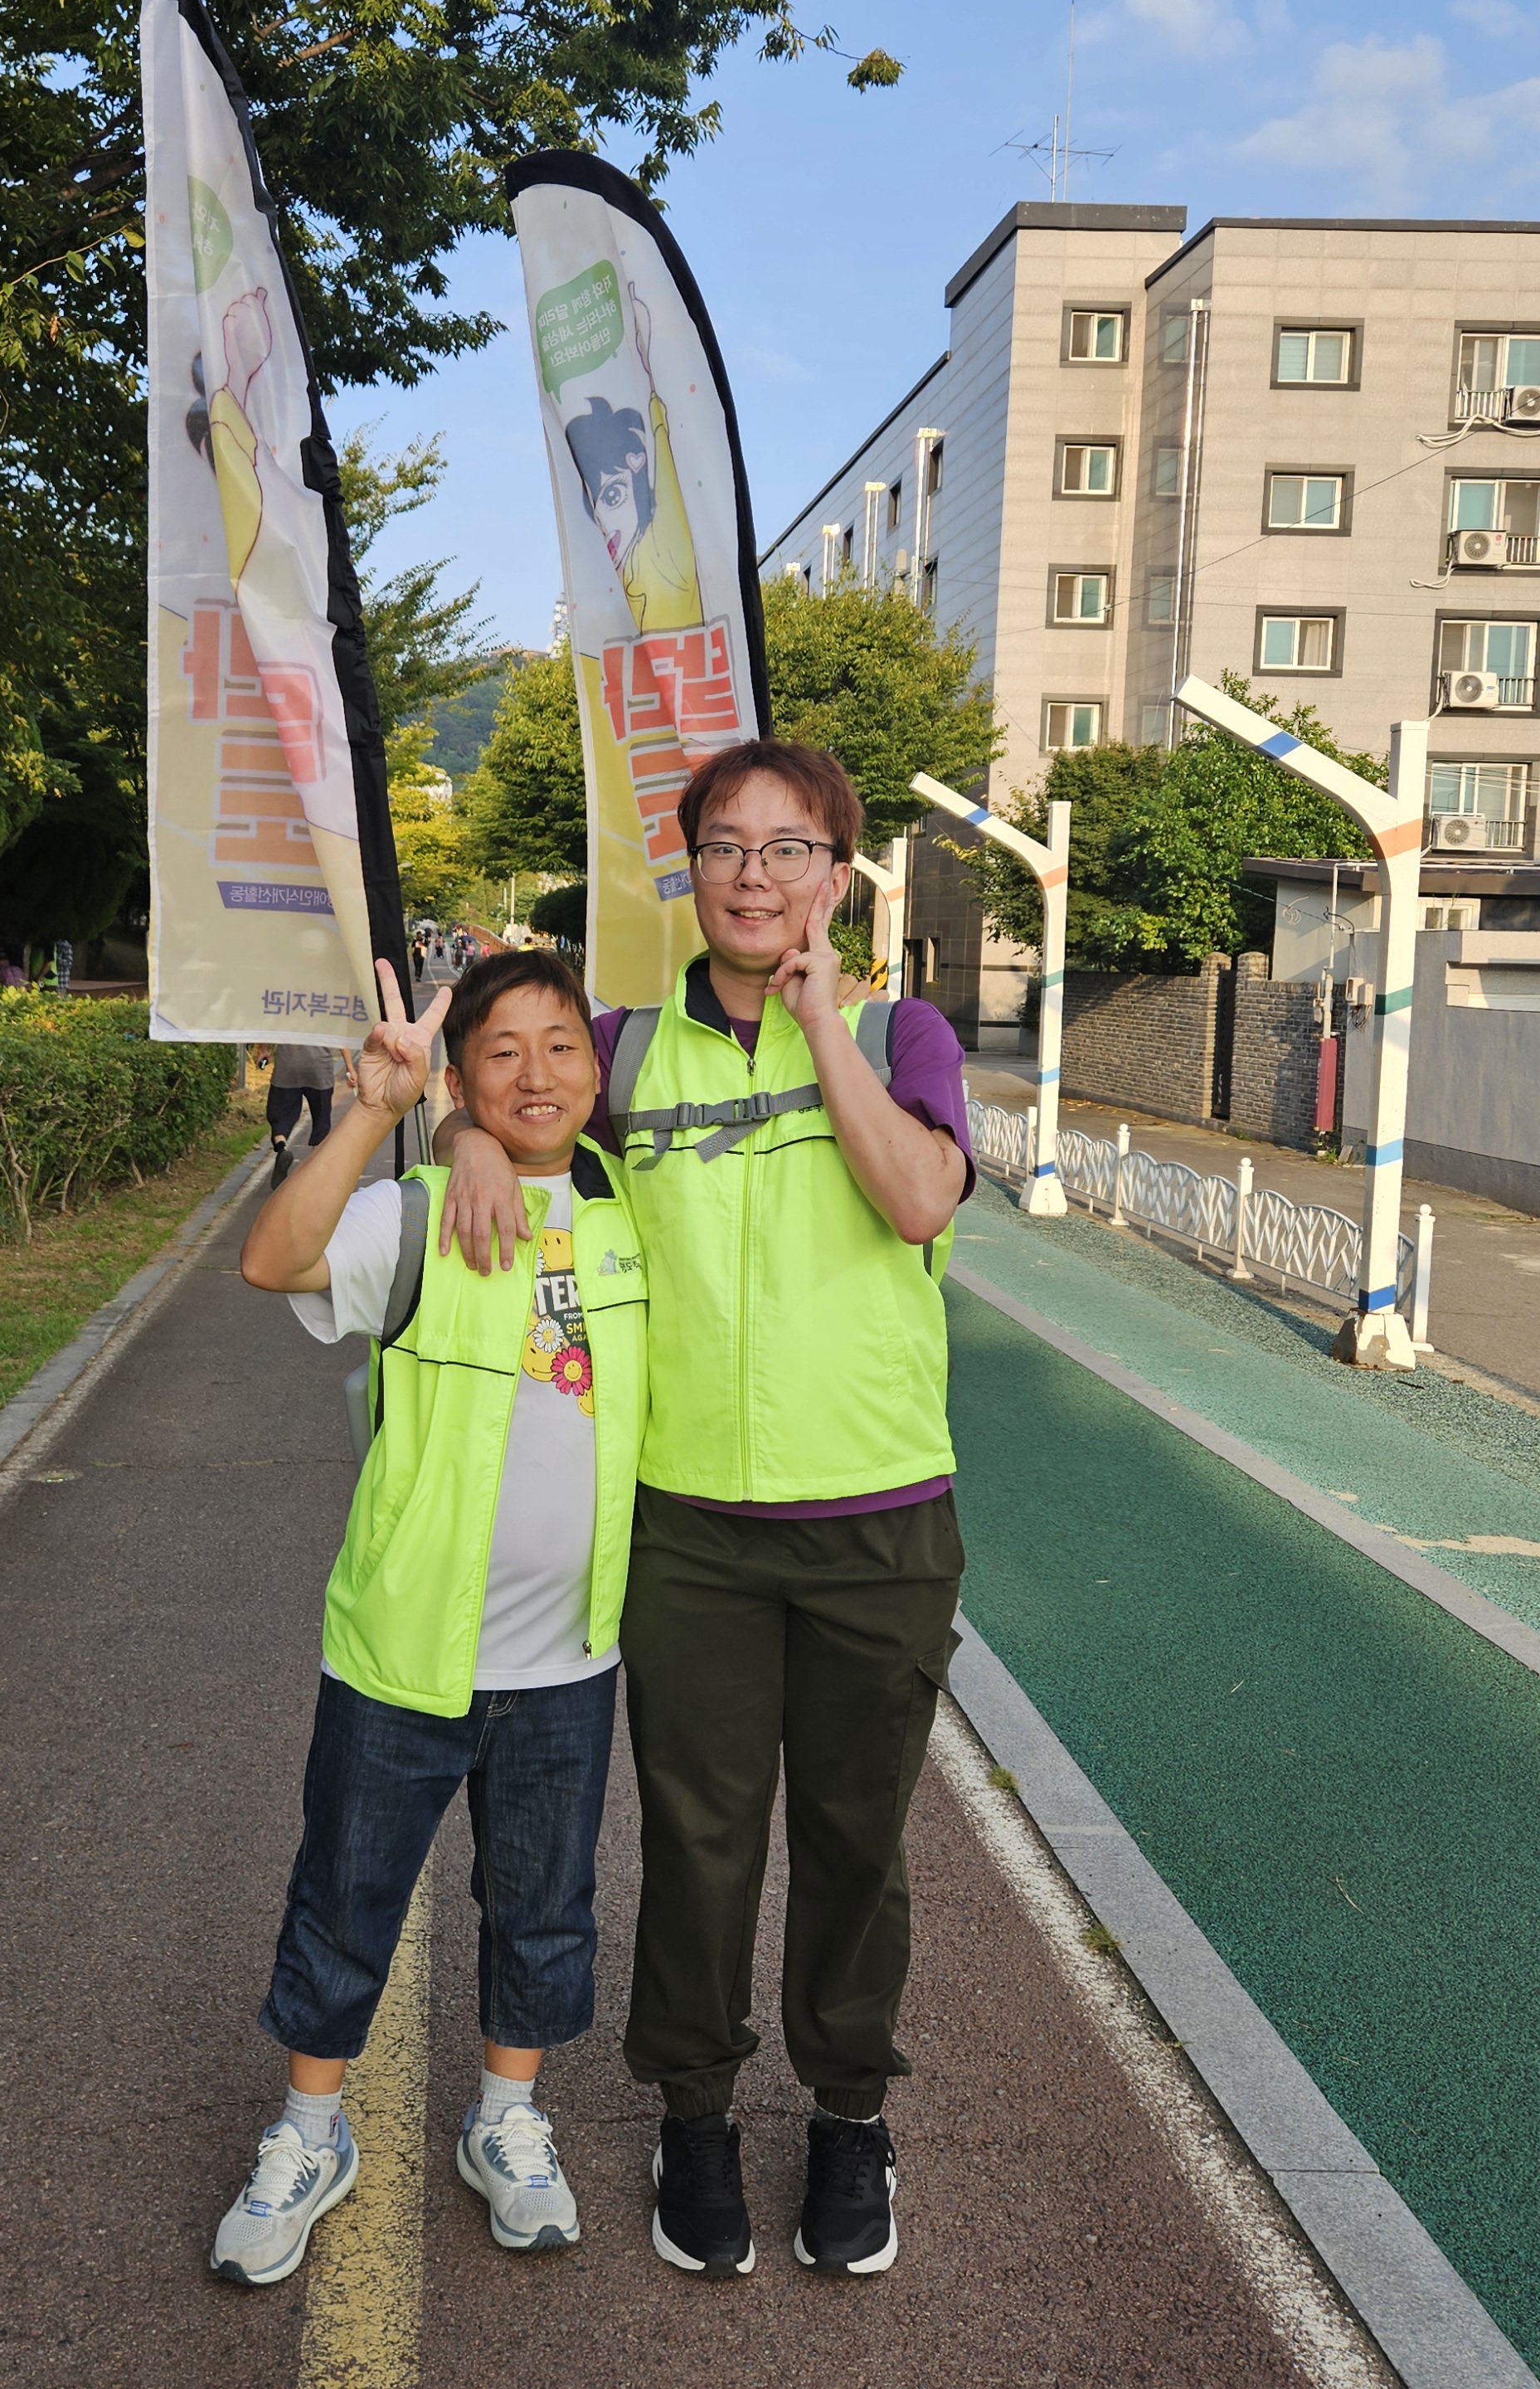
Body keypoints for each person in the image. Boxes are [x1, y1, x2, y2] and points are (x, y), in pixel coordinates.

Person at [440, 738, 973, 2283]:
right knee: (697, 1837)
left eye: (789, 848)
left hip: (880, 1518)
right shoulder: (623, 1046)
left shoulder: (901, 1028)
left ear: (837, 876)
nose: (755, 874)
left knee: (857, 1839)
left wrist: (825, 1033)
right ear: (688, 872)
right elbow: (522, 1107)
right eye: (726, 848)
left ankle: (852, 2115)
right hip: (688, 1525)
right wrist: (473, 1129)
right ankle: (693, 2111)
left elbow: (920, 1202)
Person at [211, 951, 649, 2288]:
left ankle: (507, 2120)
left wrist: (465, 1132)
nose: (535, 1072)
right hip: (406, 1651)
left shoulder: (635, 1218)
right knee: (346, 1904)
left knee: (544, 1911)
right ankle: (308, 2133)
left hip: (571, 1660)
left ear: (594, 1066)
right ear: (460, 1077)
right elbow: (270, 1259)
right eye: (499, 1052)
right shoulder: (410, 1214)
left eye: (559, 1045)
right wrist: (380, 1112)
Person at [265, 1040, 339, 1184]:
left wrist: (263, 1050)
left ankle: (282, 1148)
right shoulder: (325, 1015)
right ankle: (315, 1170)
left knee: (281, 1114)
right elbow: (340, 1038)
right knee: (321, 1118)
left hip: (287, 1065)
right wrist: (350, 1068)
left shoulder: (285, 1015)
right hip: (320, 1066)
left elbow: (268, 1028)